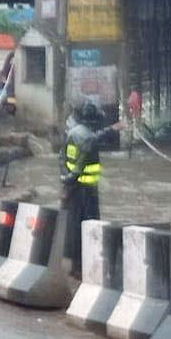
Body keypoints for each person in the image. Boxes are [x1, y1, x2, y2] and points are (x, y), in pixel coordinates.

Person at [61, 100, 120, 277]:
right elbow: (79, 167)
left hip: (73, 190)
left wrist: (64, 181)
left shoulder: (73, 133)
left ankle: (72, 266)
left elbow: (61, 158)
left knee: (72, 228)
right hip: (85, 192)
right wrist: (70, 182)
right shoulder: (87, 138)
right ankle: (83, 268)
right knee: (89, 228)